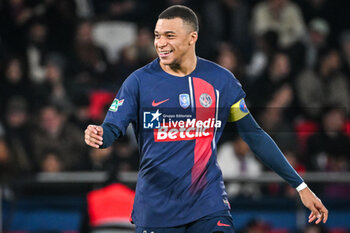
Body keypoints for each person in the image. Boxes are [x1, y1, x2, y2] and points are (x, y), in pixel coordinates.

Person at [84, 5, 328, 233]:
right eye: (158, 36)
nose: (160, 43)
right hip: (156, 209)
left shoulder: (220, 81)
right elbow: (111, 129)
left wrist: (300, 186)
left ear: (192, 38)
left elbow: (253, 135)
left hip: (208, 205)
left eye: (170, 36)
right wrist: (99, 135)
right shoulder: (138, 82)